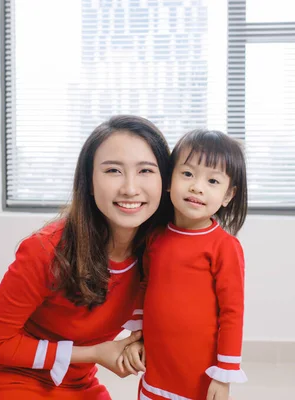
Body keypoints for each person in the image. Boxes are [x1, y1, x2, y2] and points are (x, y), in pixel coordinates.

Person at [0, 115, 172, 399]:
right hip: (14, 380)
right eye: (113, 170)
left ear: (165, 182)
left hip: (79, 385)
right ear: (89, 182)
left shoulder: (159, 254)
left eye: (146, 171)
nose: (130, 187)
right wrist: (94, 353)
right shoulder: (45, 251)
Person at [119, 129, 249, 400]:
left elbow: (232, 313)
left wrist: (224, 374)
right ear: (169, 180)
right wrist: (136, 339)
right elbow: (144, 288)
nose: (197, 187)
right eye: (187, 174)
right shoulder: (154, 237)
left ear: (228, 195)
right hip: (157, 368)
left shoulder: (224, 248)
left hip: (199, 374)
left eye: (213, 180)